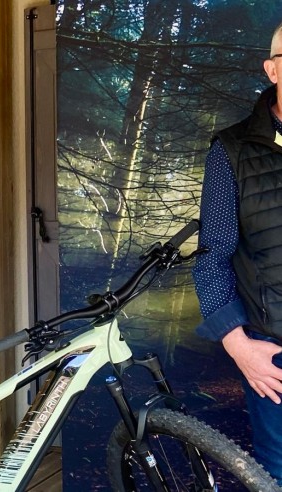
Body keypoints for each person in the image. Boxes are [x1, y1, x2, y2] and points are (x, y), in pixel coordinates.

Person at [193, 21, 282, 485]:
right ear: (272, 69)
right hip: (275, 354)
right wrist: (238, 345)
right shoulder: (231, 150)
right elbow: (212, 257)